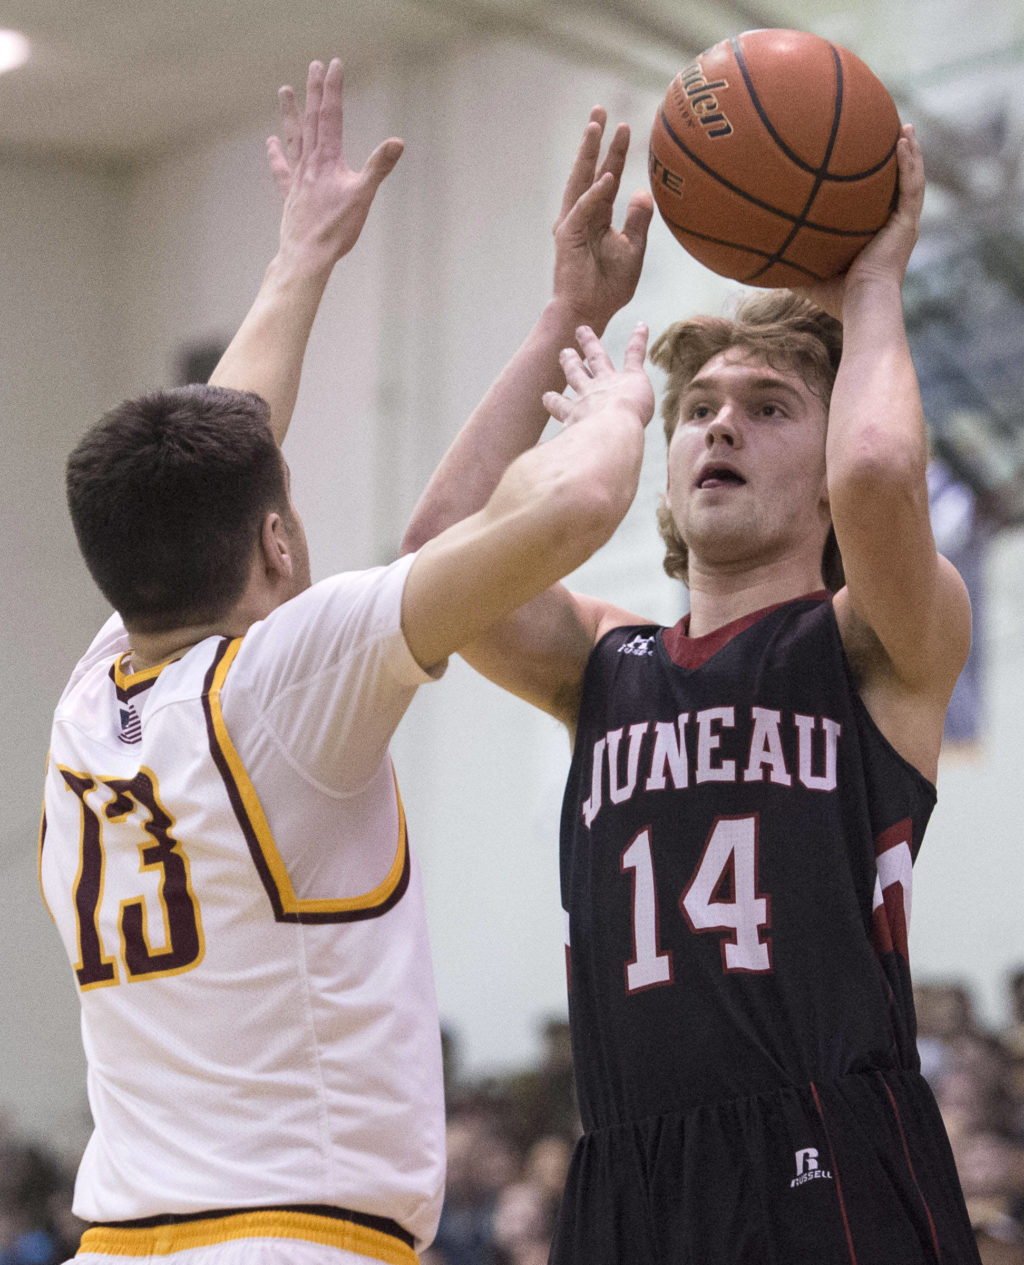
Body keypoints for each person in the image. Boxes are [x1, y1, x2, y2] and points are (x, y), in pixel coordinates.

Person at [39, 61, 654, 1265]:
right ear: (277, 539)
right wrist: (614, 394)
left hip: (116, 1241)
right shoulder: (285, 675)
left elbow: (222, 442)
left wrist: (303, 255)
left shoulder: (95, 684)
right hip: (290, 1242)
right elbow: (575, 504)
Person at [401, 121, 982, 1262]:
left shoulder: (872, 640)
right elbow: (436, 555)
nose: (721, 421)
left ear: (819, 472)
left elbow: (874, 470)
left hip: (826, 1142)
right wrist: (562, 320)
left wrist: (869, 290)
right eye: (702, 407)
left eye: (769, 407)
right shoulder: (605, 665)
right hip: (623, 1164)